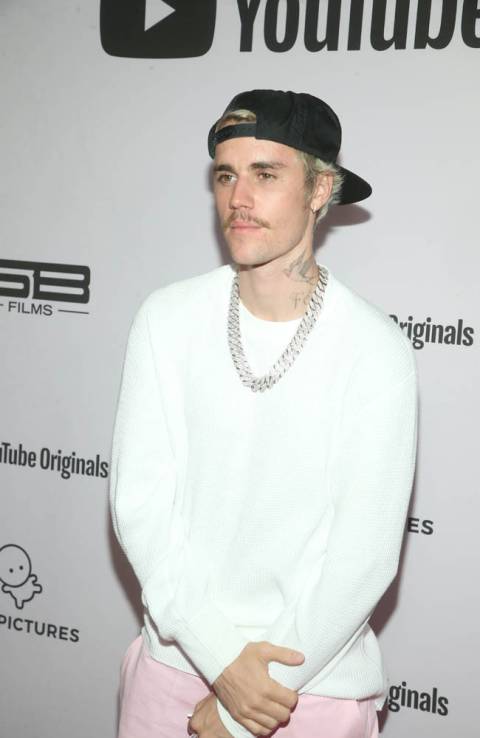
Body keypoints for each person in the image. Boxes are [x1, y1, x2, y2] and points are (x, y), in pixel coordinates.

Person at [109, 89, 418, 738]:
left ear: (320, 190)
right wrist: (223, 661)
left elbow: (363, 557)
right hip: (175, 665)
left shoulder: (375, 349)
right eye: (226, 176)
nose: (239, 198)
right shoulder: (167, 320)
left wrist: (244, 700)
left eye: (266, 174)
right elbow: (140, 508)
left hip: (312, 688)